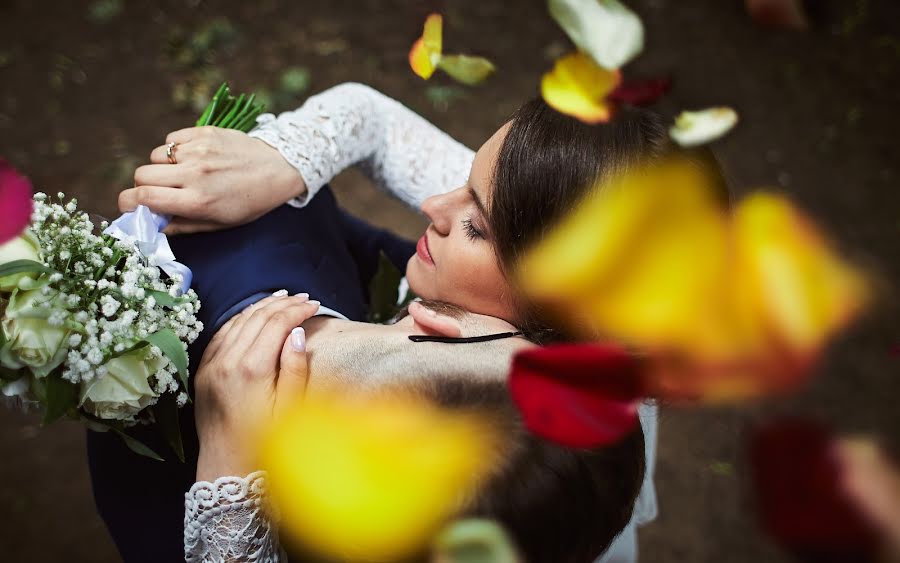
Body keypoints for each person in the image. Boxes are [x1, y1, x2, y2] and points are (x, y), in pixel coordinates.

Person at [107, 83, 704, 560]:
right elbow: (373, 120)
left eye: (477, 227)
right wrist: (283, 159)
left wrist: (230, 491)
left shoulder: (500, 487)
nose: (435, 205)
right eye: (467, 182)